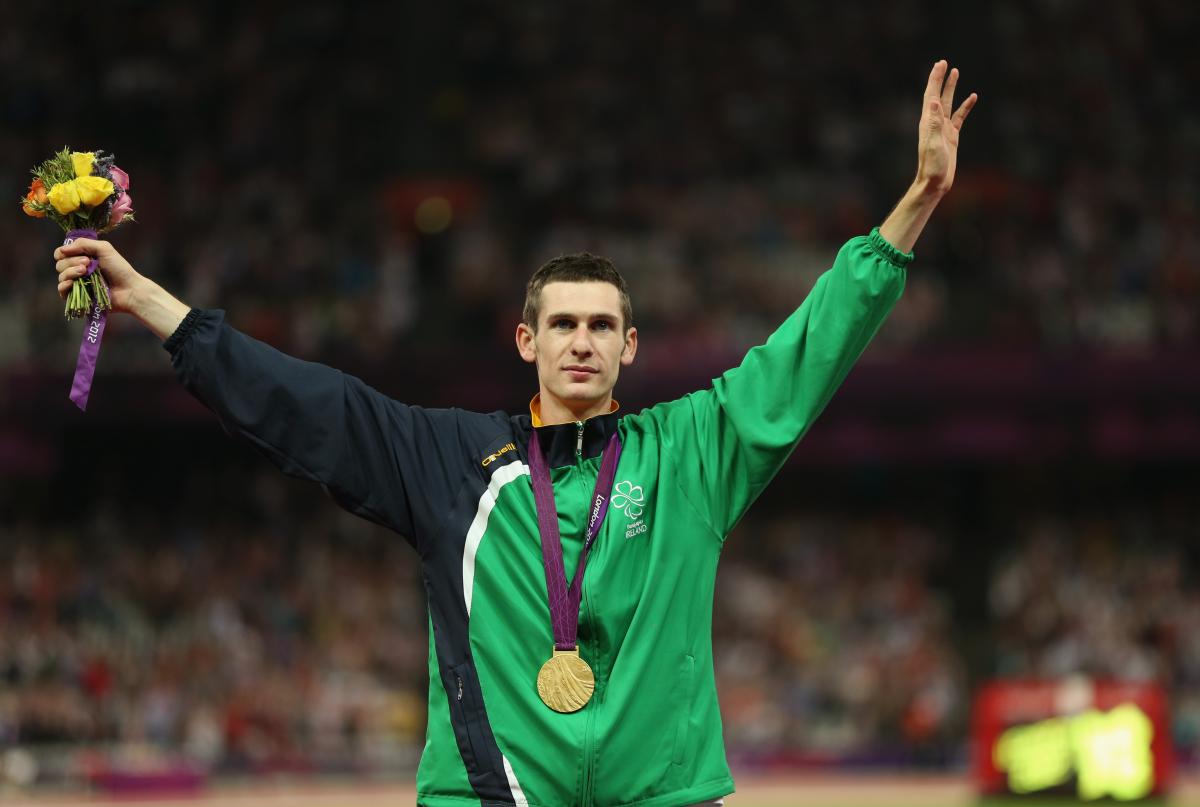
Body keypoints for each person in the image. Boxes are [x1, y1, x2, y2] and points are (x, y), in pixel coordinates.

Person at [53, 61, 976, 807]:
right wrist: (148, 303)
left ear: (630, 346)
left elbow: (808, 351)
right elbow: (309, 404)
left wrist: (920, 202)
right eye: (564, 324)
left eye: (602, 326)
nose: (583, 341)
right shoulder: (450, 462)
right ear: (527, 340)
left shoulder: (692, 452)